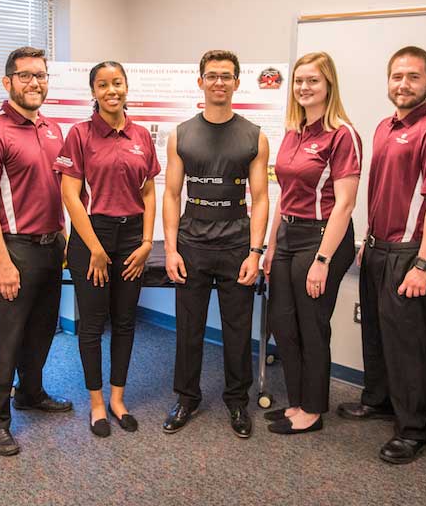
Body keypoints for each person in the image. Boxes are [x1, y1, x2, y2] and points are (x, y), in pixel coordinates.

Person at [337, 46, 426, 465]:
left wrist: (424, 264)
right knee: (375, 332)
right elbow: (383, 192)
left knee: (409, 344)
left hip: (410, 254)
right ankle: (379, 400)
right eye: (397, 76)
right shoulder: (384, 127)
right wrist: (367, 241)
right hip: (377, 248)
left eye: (413, 76)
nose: (403, 84)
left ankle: (413, 430)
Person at [0, 46, 71, 456]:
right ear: (8, 82)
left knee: (42, 328)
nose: (34, 83)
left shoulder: (52, 128)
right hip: (12, 248)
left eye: (40, 75)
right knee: (4, 338)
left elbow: (59, 190)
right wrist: (2, 262)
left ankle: (30, 392)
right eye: (25, 76)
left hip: (49, 245)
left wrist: (63, 238)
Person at [162, 49, 270, 439]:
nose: (218, 82)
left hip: (236, 246)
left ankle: (237, 401)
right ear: (201, 81)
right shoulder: (181, 134)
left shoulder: (254, 136)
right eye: (212, 75)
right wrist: (171, 249)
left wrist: (255, 252)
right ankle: (186, 398)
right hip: (191, 245)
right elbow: (172, 194)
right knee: (188, 328)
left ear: (237, 83)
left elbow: (261, 198)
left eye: (226, 76)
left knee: (237, 330)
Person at [54, 61, 160, 437]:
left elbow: (149, 191)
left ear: (126, 87)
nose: (111, 90)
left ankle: (117, 399)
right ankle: (97, 403)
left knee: (126, 321)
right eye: (103, 84)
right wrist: (95, 248)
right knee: (93, 323)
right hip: (91, 236)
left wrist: (147, 242)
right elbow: (70, 195)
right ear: (93, 92)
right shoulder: (80, 134)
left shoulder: (141, 135)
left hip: (131, 238)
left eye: (117, 83)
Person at [262, 52, 362, 434]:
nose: (304, 87)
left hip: (322, 238)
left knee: (311, 324)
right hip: (288, 235)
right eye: (299, 80)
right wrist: (271, 246)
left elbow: (346, 204)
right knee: (282, 322)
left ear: (329, 85)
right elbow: (284, 195)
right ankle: (297, 401)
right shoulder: (293, 131)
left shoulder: (342, 134)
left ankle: (313, 409)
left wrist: (322, 260)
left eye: (313, 80)